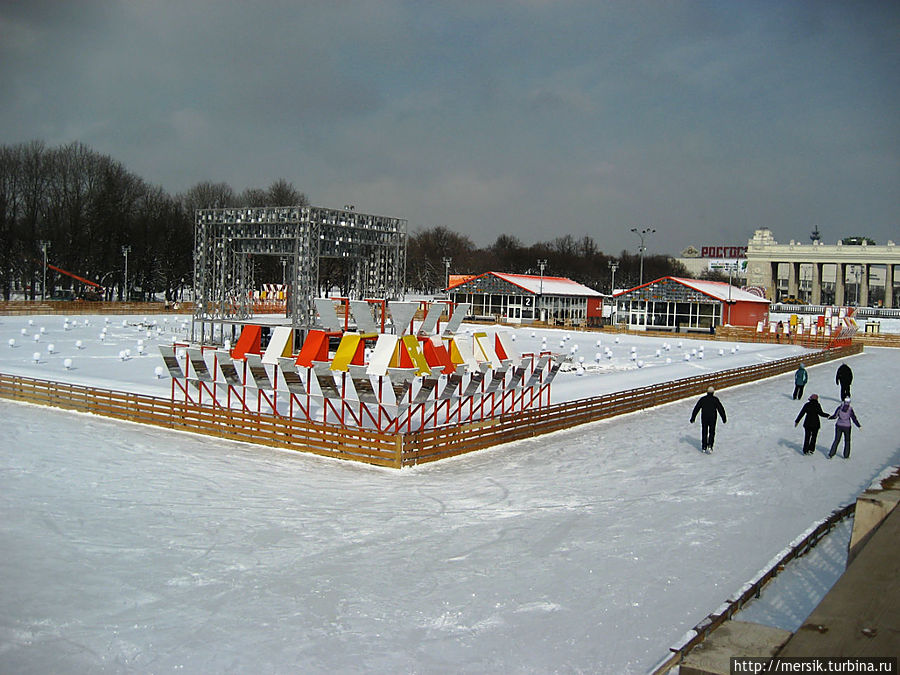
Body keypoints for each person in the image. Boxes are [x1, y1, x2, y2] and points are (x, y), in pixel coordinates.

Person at [690, 386, 727, 453]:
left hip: (704, 418)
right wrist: (723, 418)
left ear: (707, 392)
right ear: (713, 392)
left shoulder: (703, 399)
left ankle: (704, 446)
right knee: (712, 431)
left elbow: (696, 408)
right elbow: (720, 408)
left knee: (704, 431)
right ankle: (710, 445)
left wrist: (693, 417)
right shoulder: (715, 399)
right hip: (712, 418)